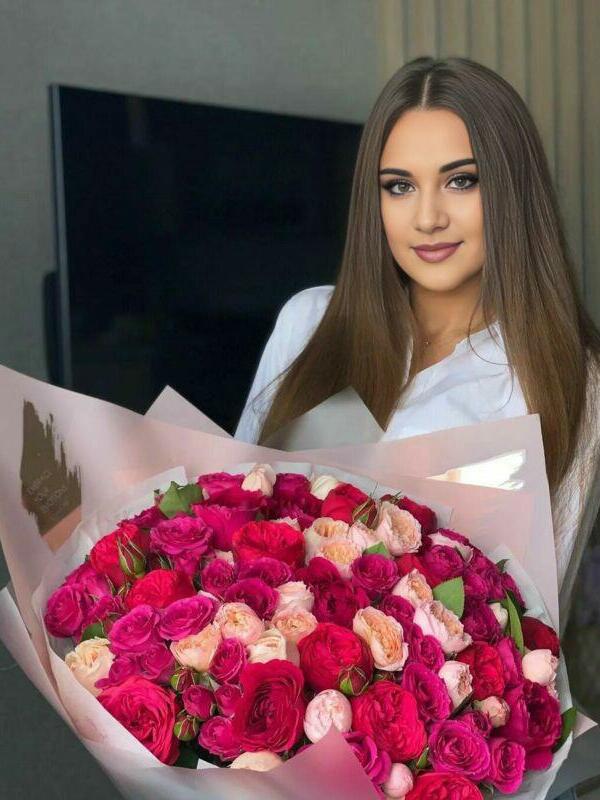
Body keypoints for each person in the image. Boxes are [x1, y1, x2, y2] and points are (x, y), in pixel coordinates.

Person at [234, 55, 600, 627]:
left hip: (447, 681)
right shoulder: (310, 322)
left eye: (461, 181)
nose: (427, 217)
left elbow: (536, 625)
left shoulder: (564, 374)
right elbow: (229, 521)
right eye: (400, 186)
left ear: (512, 190)